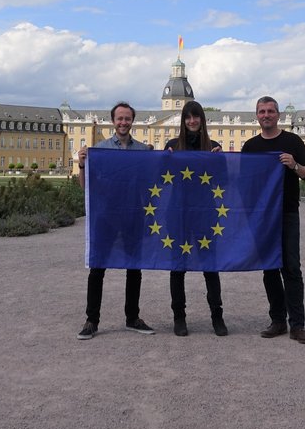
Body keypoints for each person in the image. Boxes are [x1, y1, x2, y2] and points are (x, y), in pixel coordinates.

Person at [75, 102, 156, 340]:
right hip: (107, 217)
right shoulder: (99, 151)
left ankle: (132, 317)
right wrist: (82, 164)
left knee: (134, 269)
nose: (123, 122)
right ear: (113, 121)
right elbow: (86, 187)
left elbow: (153, 182)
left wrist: (164, 158)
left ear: (133, 121)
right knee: (98, 268)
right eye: (119, 119)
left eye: (127, 119)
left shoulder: (142, 151)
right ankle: (92, 320)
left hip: (133, 215)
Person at [242, 96, 305, 345]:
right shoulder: (251, 147)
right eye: (262, 111)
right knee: (270, 268)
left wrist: (294, 165)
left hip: (286, 213)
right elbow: (244, 181)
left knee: (291, 268)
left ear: (278, 114)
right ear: (257, 116)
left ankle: (298, 325)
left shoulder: (292, 141)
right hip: (263, 217)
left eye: (270, 111)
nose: (266, 115)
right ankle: (277, 320)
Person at [163, 101, 226, 337]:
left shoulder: (214, 147)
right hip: (177, 213)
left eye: (196, 117)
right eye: (188, 117)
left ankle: (217, 317)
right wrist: (163, 161)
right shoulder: (172, 146)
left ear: (202, 119)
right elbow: (160, 180)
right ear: (183, 120)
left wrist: (220, 162)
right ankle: (179, 317)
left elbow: (224, 182)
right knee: (177, 268)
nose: (192, 121)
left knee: (211, 267)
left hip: (205, 213)